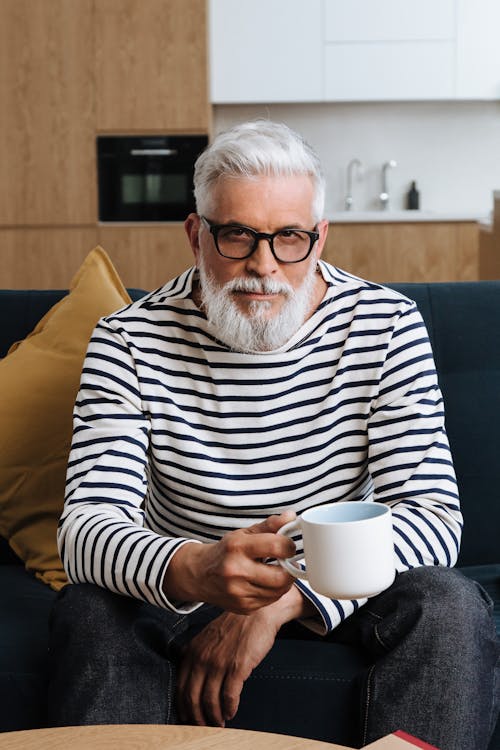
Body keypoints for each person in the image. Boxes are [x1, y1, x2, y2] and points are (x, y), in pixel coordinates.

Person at [48, 120, 499, 749]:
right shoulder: (127, 338)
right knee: (91, 608)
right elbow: (86, 532)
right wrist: (199, 567)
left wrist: (284, 599)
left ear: (318, 238)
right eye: (236, 235)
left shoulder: (386, 323)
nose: (263, 267)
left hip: (341, 585)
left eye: (288, 237)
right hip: (187, 581)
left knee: (450, 605)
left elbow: (433, 520)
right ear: (195, 234)